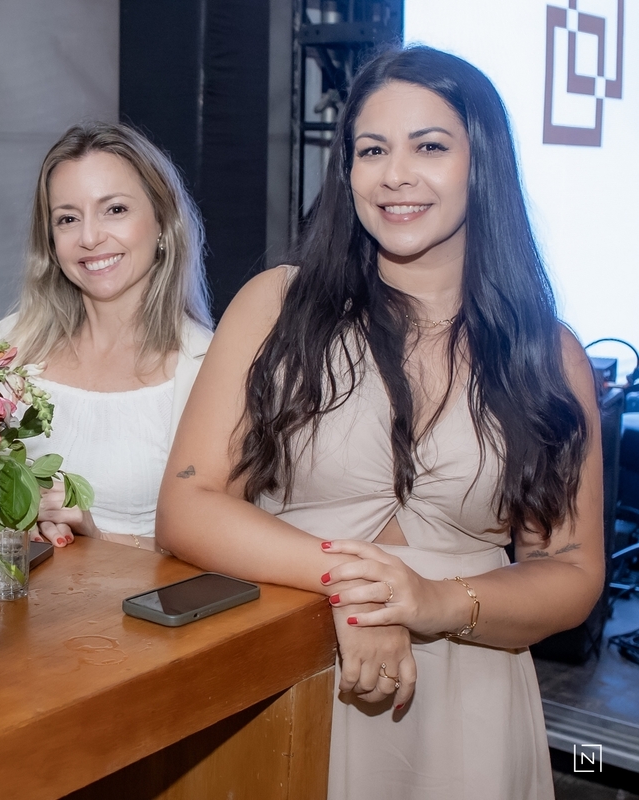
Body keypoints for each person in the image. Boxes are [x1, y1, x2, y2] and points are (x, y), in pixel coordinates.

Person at [156, 46, 603, 800]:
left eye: (429, 146)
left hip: (471, 708)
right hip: (293, 678)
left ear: (482, 163)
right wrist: (359, 590)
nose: (395, 174)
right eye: (372, 150)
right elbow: (187, 507)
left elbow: (571, 569)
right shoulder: (277, 306)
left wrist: (433, 602)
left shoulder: (547, 355)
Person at [0, 122, 212, 550]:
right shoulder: (8, 346)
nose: (90, 238)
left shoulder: (206, 368)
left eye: (115, 210)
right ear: (50, 241)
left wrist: (98, 538)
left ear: (163, 221)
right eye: (68, 219)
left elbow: (226, 546)